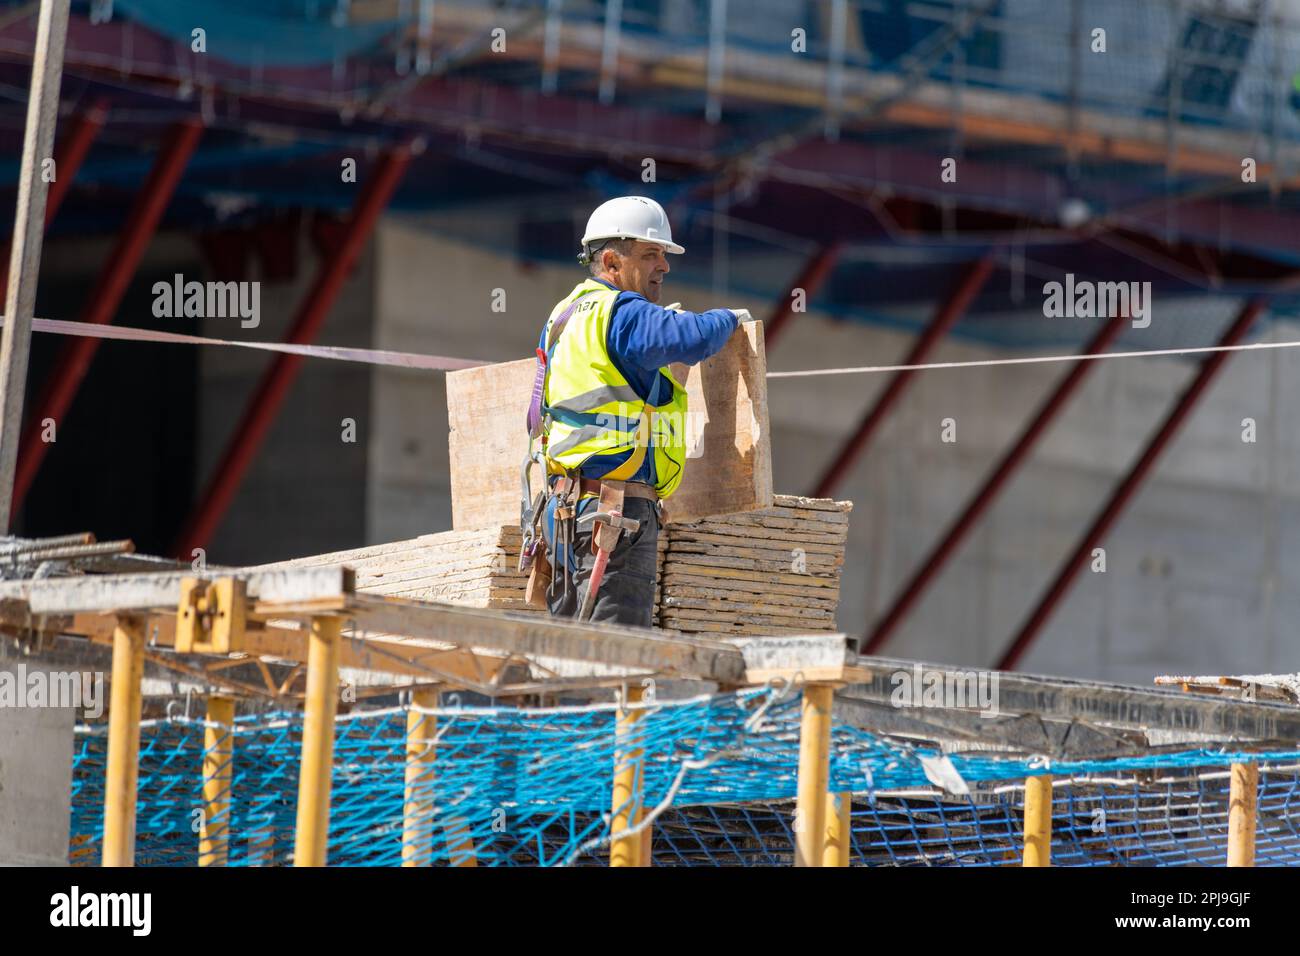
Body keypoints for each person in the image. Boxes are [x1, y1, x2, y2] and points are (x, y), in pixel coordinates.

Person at [523, 196, 745, 627]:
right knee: (614, 662)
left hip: (567, 513)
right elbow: (694, 338)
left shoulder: (565, 315)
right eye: (650, 254)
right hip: (613, 514)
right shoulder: (621, 312)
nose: (664, 266)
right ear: (611, 261)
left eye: (664, 255)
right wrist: (726, 319)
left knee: (571, 658)